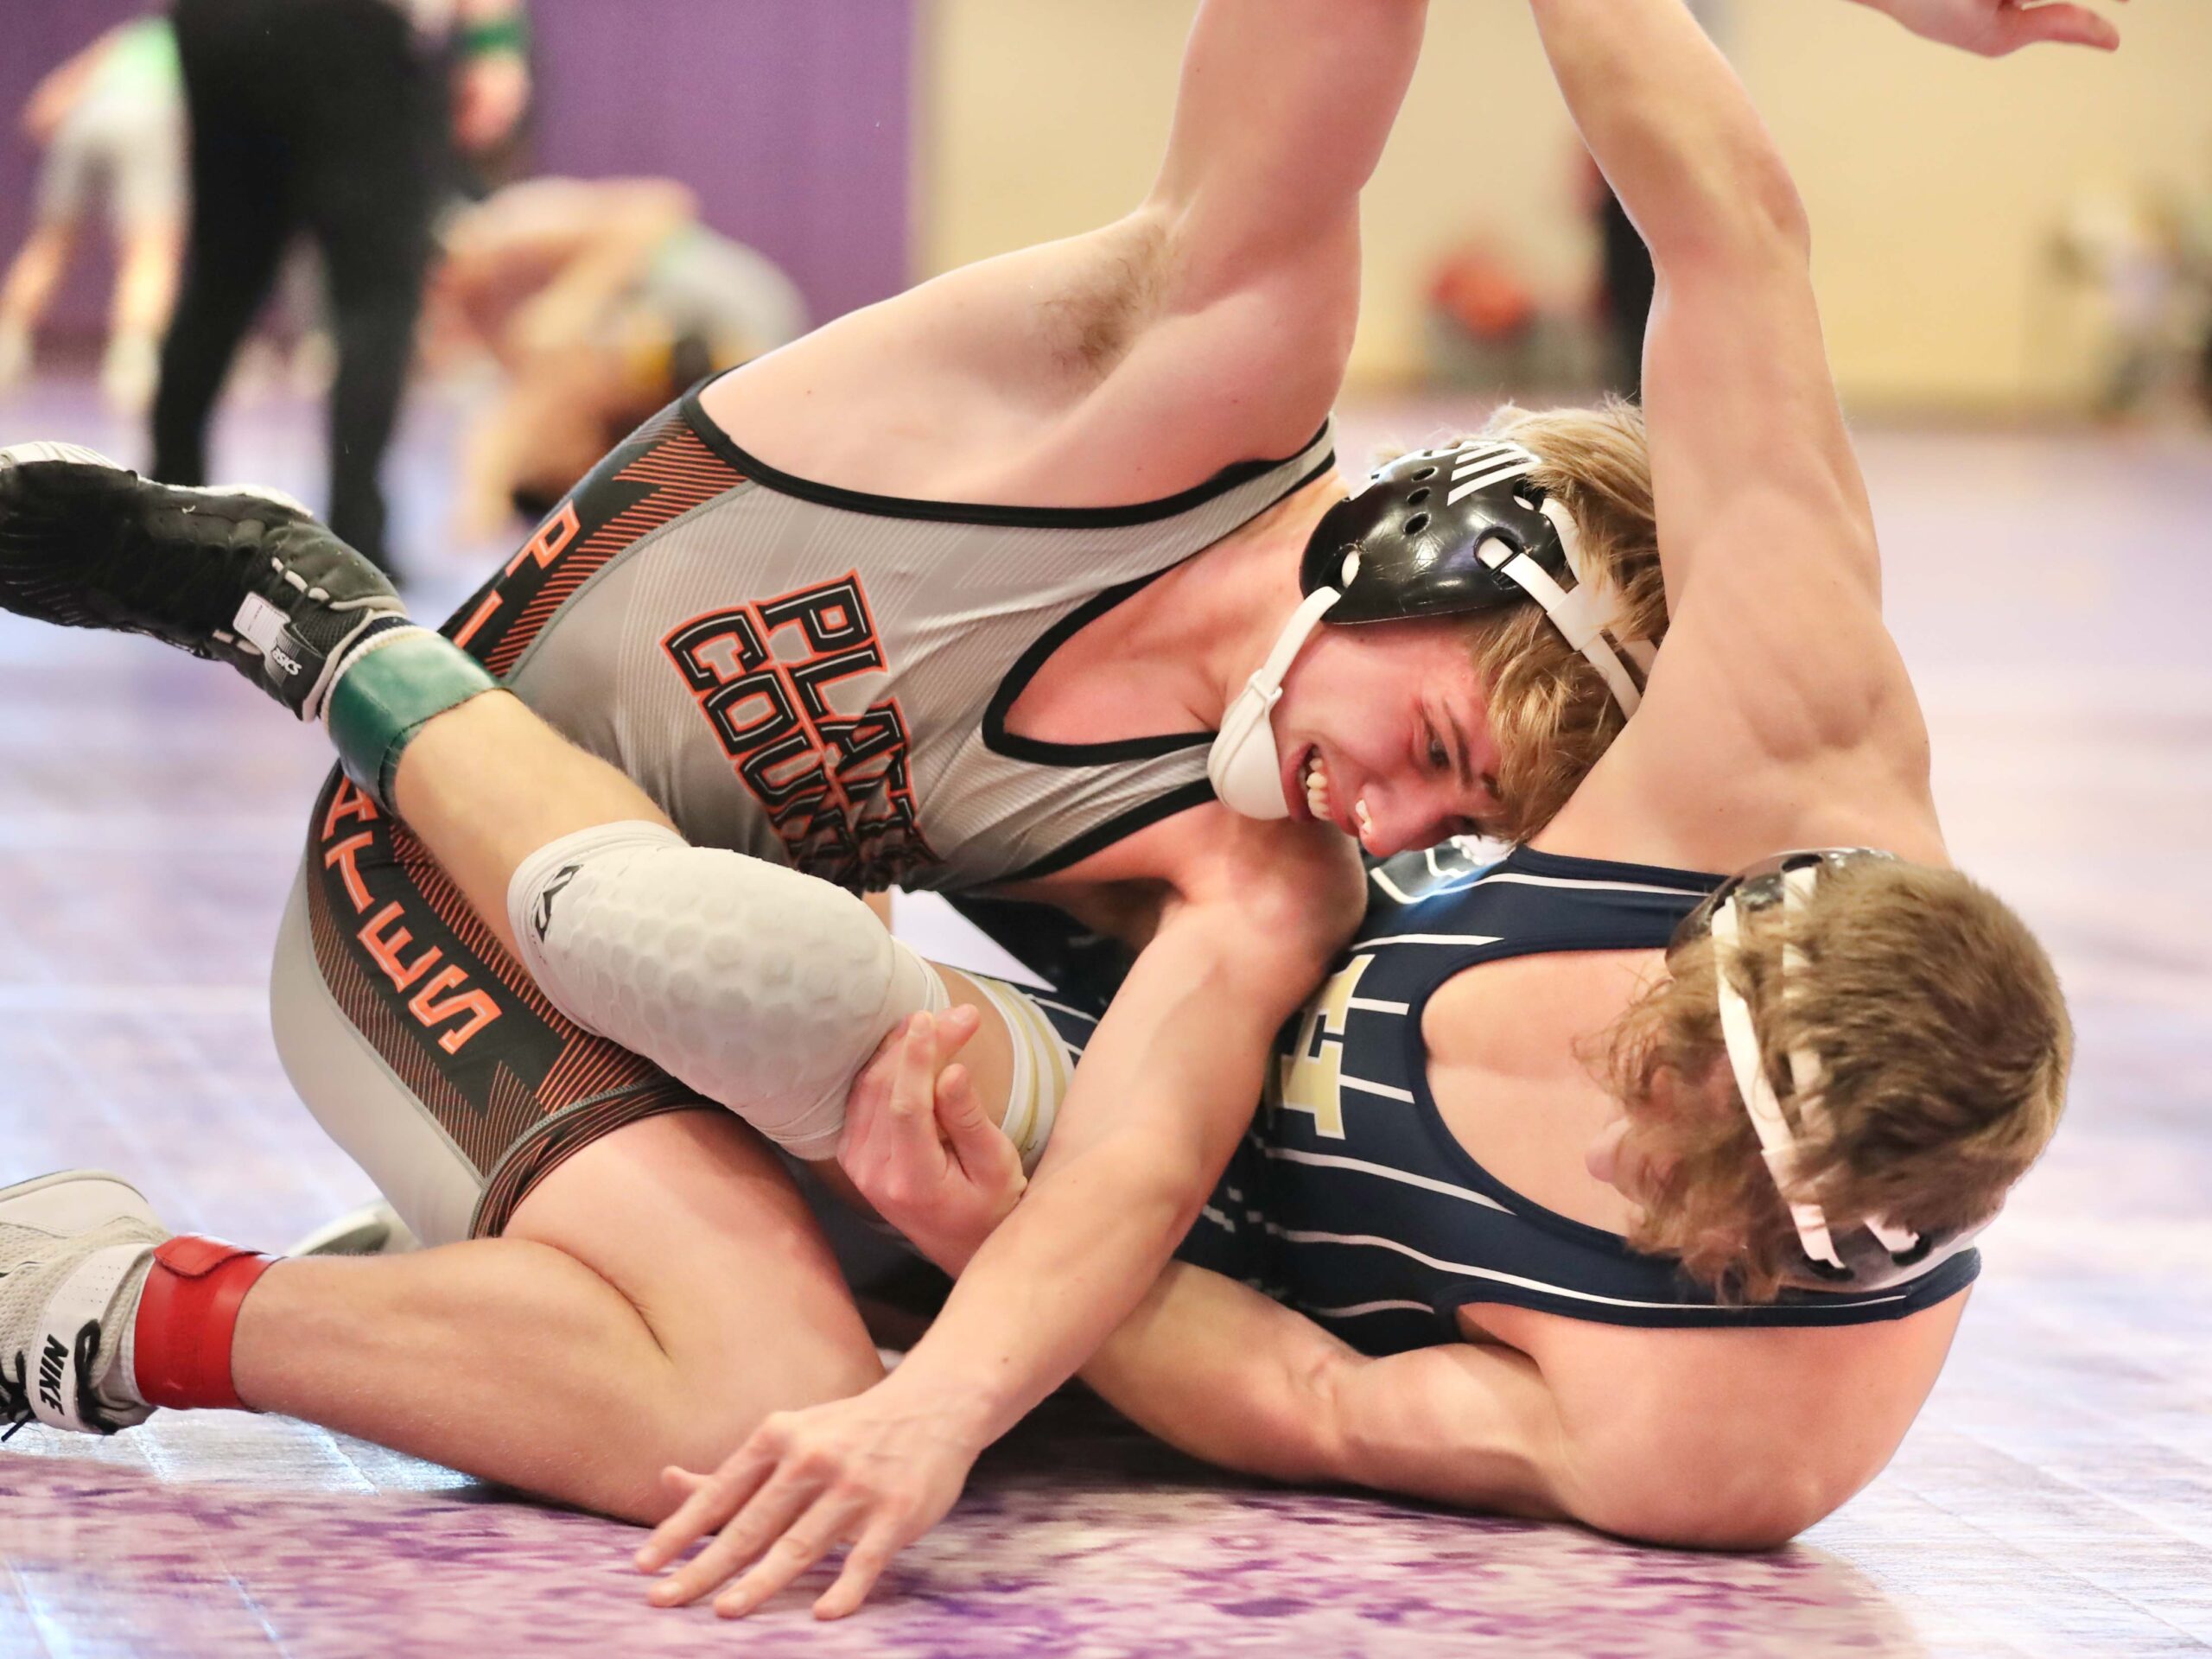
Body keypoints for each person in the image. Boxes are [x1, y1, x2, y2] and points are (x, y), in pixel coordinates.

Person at [0, 0, 2107, 1623]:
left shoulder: (1271, 881)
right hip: (429, 863)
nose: (1392, 824)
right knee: (717, 968)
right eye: (1443, 753)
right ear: (1437, 553)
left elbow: (1157, 1206)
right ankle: (302, 611)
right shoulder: (1211, 355)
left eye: (1459, 832)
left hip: (651, 1002)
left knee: (802, 1135)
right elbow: (1713, 218)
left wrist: (942, 1360)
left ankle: (116, 1302)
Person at [149, 0, 532, 575]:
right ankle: (355, 541)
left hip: (223, 21)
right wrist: (494, 46)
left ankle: (165, 520)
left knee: (219, 280)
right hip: (358, 29)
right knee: (376, 301)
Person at [420, 175, 809, 537]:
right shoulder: (468, 331)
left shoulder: (508, 232)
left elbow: (660, 206)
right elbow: (523, 401)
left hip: (724, 309)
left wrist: (573, 301)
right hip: (682, 371)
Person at [0, 15, 185, 410]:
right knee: (150, 251)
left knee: (50, 245)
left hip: (84, 119)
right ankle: (133, 363)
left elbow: (45, 108)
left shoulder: (131, 39)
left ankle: (6, 343)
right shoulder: (196, 38)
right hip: (150, 119)